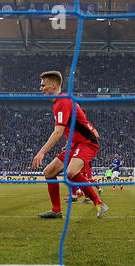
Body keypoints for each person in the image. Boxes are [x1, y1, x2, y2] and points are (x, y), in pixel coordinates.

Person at [33, 71, 107, 218]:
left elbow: (58, 132)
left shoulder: (63, 101)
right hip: (75, 144)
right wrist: (70, 141)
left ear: (53, 85)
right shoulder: (59, 102)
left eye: (43, 85)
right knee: (49, 172)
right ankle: (56, 211)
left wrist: (41, 152)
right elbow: (76, 124)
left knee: (71, 172)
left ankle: (99, 204)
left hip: (87, 143)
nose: (40, 88)